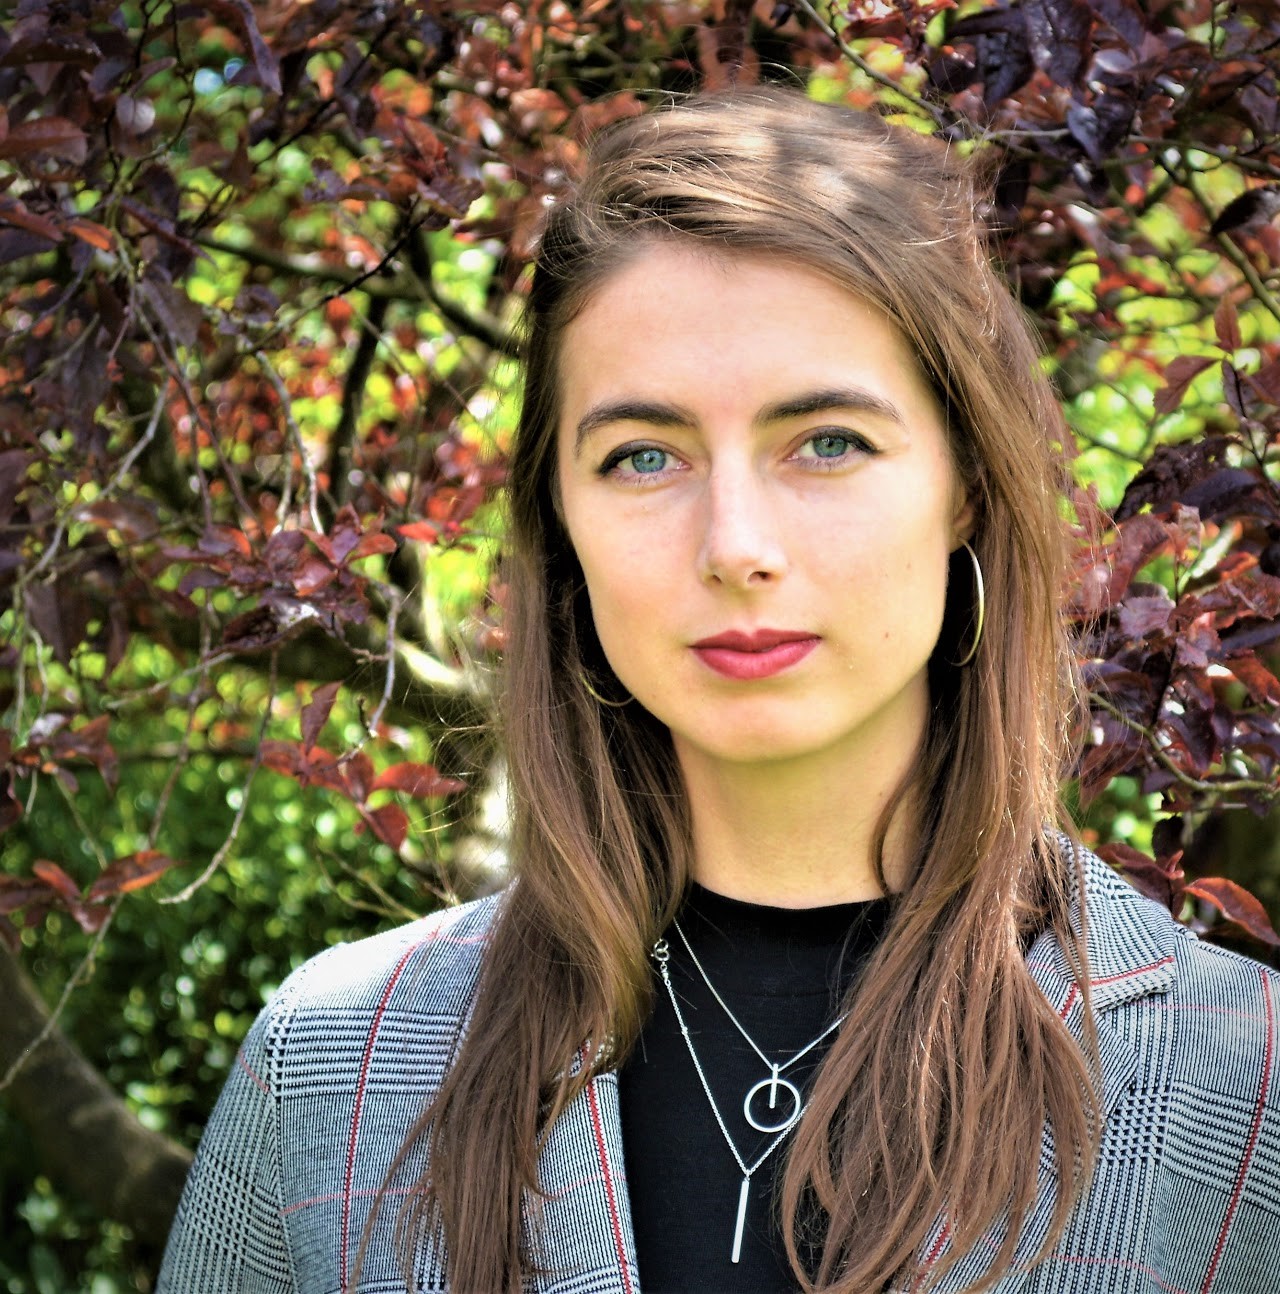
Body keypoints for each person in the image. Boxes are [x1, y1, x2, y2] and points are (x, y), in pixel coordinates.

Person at [157, 88, 1280, 1294]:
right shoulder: (333, 1062)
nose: (733, 543)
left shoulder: (1239, 1085)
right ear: (559, 518)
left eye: (827, 441)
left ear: (964, 483)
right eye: (643, 457)